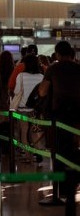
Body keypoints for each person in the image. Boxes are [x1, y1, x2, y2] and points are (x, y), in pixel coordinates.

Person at [39, 41, 80, 196]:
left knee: (60, 150)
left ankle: (62, 186)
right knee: (74, 146)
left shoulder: (53, 68)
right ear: (72, 53)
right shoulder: (78, 68)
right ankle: (74, 180)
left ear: (57, 54)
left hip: (60, 115)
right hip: (78, 115)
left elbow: (43, 92)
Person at [13, 54, 44, 158]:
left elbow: (17, 91)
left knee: (24, 131)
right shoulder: (41, 77)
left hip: (23, 108)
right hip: (36, 109)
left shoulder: (20, 76)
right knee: (35, 131)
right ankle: (38, 151)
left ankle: (27, 156)